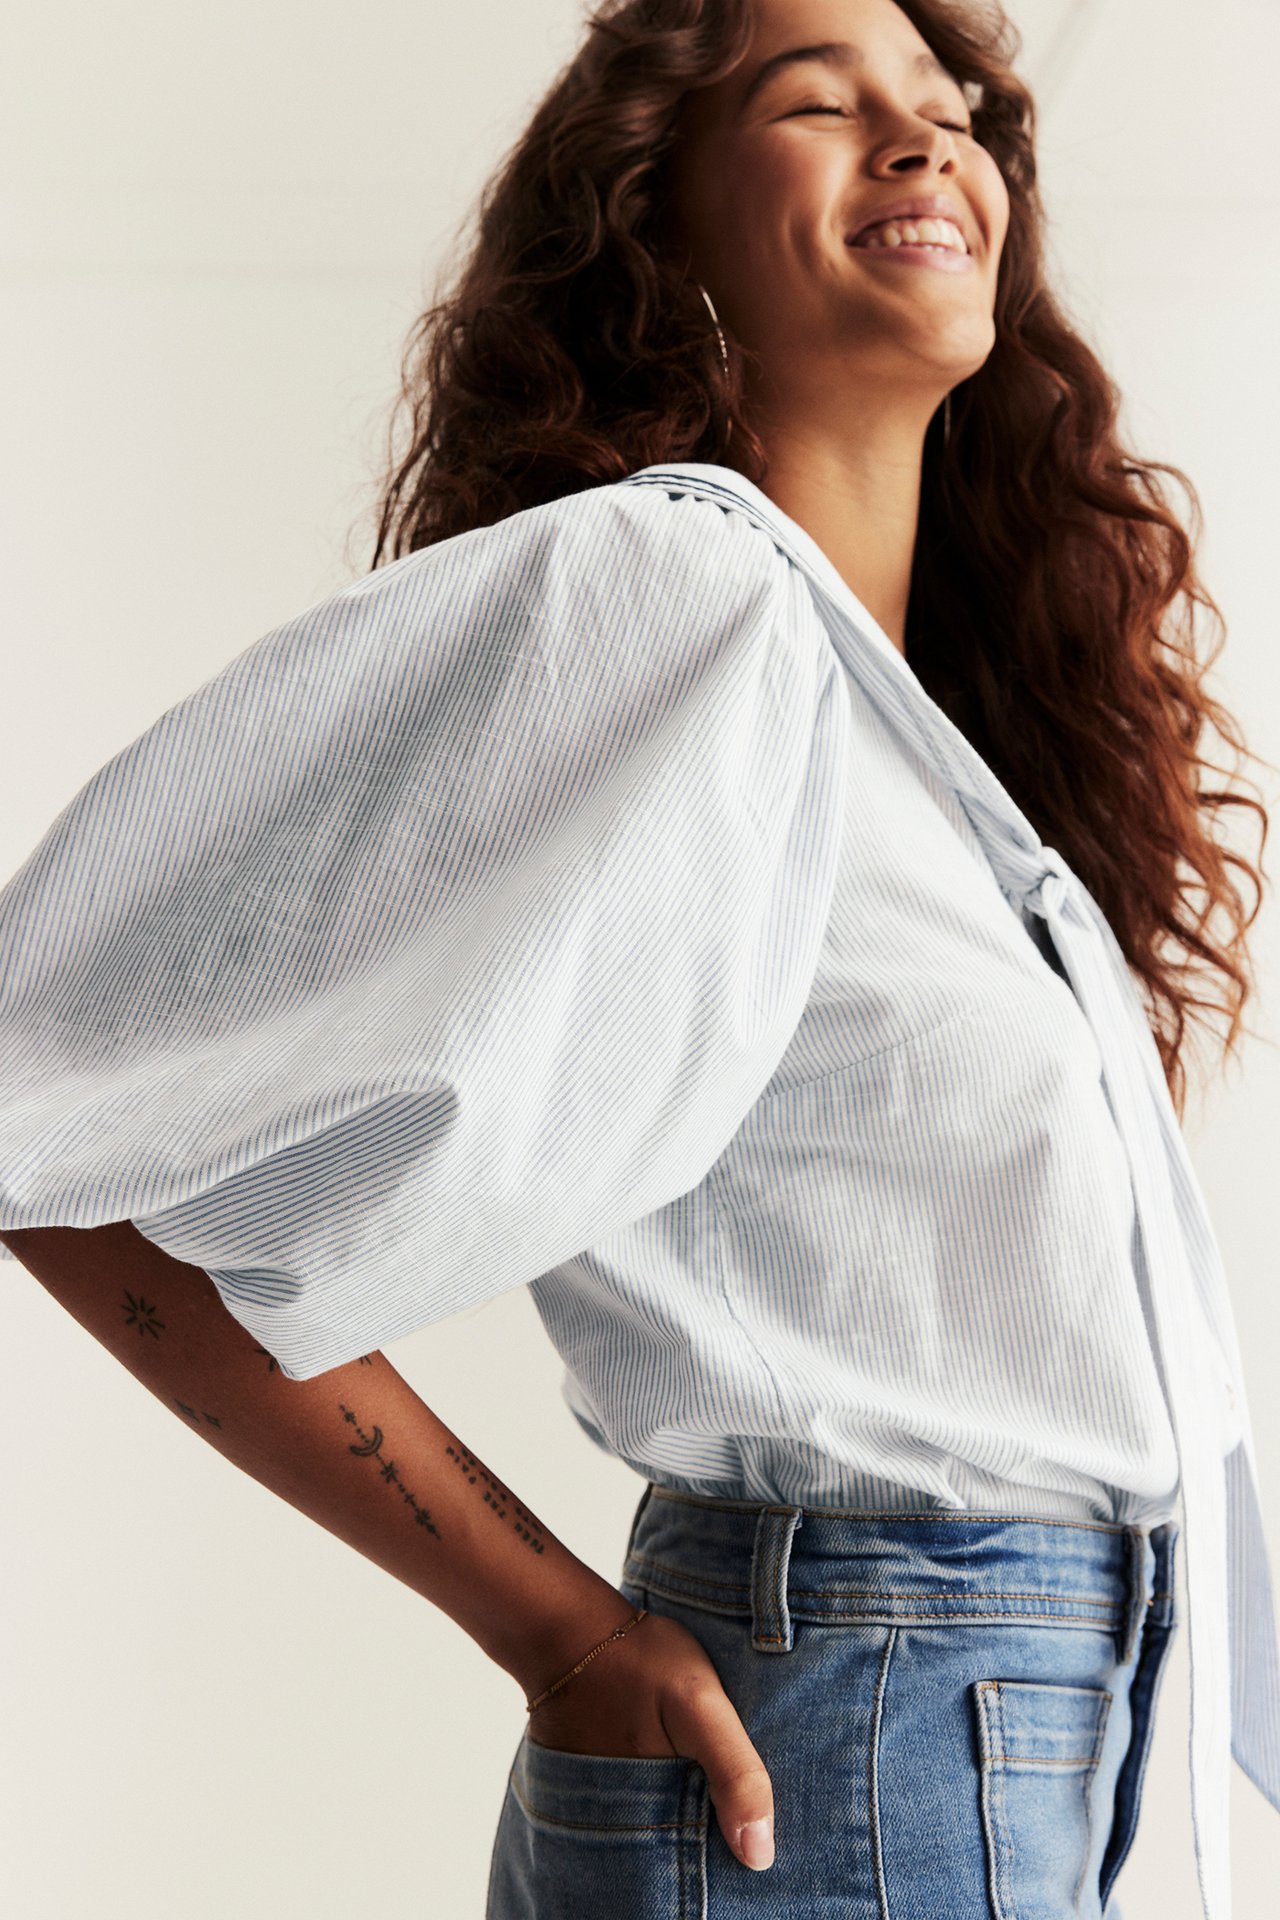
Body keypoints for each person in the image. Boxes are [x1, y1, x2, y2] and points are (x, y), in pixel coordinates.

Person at [1, 1, 1276, 1915]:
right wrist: (550, 1626)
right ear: (657, 229)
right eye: (820, 103)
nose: (925, 144)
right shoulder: (676, 593)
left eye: (952, 113)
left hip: (994, 1725)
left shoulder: (900, 731)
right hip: (849, 1728)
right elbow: (46, 1085)